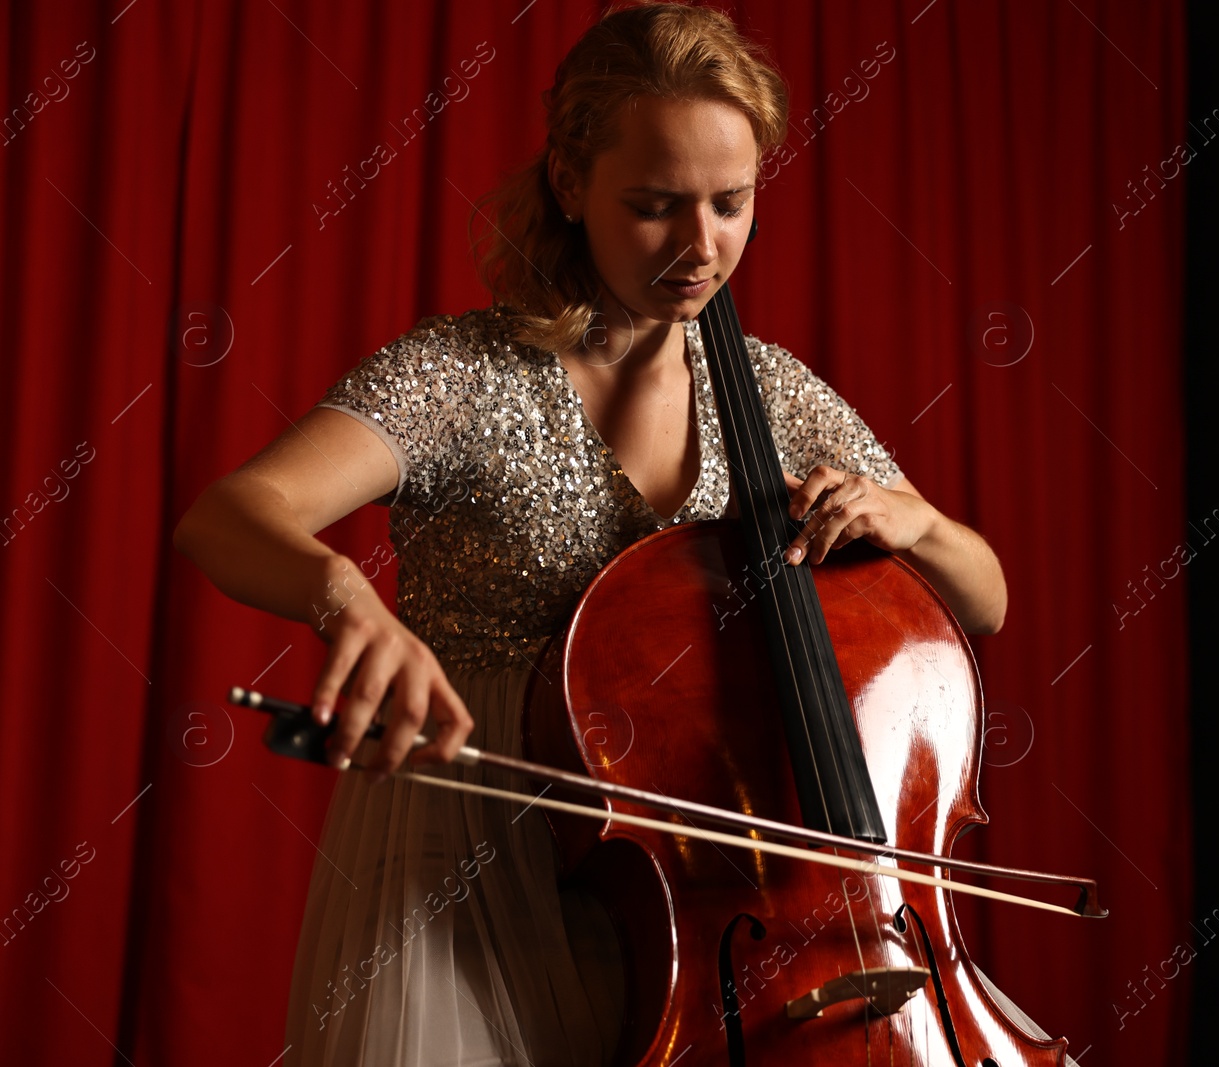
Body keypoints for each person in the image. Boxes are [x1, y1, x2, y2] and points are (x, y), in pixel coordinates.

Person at [173, 2, 1006, 1063]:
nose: (701, 247)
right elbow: (230, 515)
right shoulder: (462, 377)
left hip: (699, 876)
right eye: (656, 206)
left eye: (731, 203)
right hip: (467, 855)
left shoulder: (777, 396)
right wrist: (349, 602)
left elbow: (982, 598)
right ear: (571, 187)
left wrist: (919, 519)